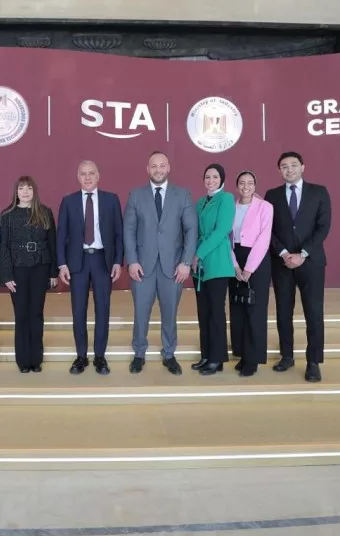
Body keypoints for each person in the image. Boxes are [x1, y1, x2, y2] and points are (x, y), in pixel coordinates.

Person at [124, 151, 198, 375]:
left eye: (162, 165)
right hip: (142, 266)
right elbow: (128, 230)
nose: (158, 170)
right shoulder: (135, 195)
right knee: (141, 313)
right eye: (154, 166)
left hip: (173, 267)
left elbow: (191, 230)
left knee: (170, 313)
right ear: (147, 169)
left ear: (168, 168)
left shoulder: (183, 195)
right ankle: (139, 353)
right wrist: (132, 261)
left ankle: (169, 354)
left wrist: (186, 262)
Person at [265, 152, 332, 382]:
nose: (289, 169)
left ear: (303, 167)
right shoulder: (272, 195)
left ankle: (313, 362)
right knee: (283, 312)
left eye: (294, 165)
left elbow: (323, 227)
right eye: (284, 166)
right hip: (282, 263)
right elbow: (268, 229)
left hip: (311, 262)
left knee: (314, 313)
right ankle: (287, 356)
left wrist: (302, 254)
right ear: (279, 170)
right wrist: (284, 253)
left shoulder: (319, 192)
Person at [56, 161, 124, 375]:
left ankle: (100, 357)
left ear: (98, 175)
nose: (87, 177)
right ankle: (81, 356)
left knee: (103, 310)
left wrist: (117, 261)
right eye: (83, 174)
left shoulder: (111, 200)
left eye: (91, 173)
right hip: (78, 262)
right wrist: (62, 264)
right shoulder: (68, 201)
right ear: (78, 176)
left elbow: (119, 234)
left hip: (103, 261)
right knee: (78, 311)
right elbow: (61, 235)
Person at [0, 176, 58, 373]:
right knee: (22, 313)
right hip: (18, 269)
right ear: (16, 192)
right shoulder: (7, 215)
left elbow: (52, 242)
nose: (25, 192)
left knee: (36, 313)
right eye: (21, 188)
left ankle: (36, 359)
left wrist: (53, 272)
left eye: (29, 188)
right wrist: (6, 275)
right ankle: (23, 360)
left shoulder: (45, 212)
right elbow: (3, 247)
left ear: (34, 191)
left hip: (41, 266)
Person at [191, 164, 235, 376]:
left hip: (217, 262)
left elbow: (222, 230)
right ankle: (206, 355)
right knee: (204, 312)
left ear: (222, 179)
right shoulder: (200, 202)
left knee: (216, 312)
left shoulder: (226, 199)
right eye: (207, 177)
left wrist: (198, 253)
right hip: (200, 267)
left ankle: (217, 359)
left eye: (215, 177)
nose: (211, 180)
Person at [228, 170, 273, 377]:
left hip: (257, 260)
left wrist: (248, 269)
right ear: (237, 186)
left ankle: (253, 358)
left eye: (250, 183)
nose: (246, 187)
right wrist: (235, 266)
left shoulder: (265, 207)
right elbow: (227, 237)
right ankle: (242, 353)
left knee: (255, 310)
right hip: (234, 259)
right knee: (238, 307)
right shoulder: (231, 206)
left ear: (255, 186)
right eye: (242, 183)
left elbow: (264, 239)